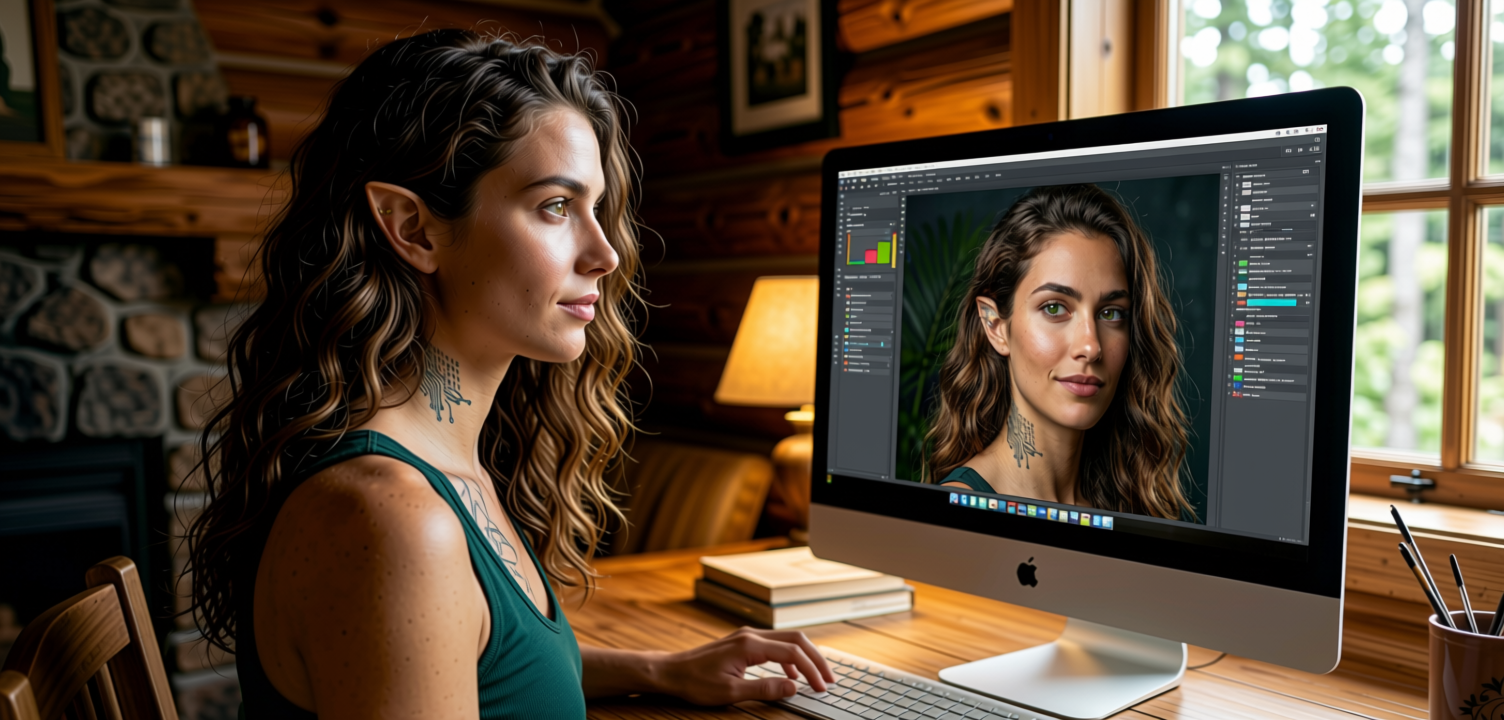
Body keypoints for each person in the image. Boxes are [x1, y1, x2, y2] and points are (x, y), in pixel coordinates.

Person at [184, 30, 833, 719]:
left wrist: (660, 670)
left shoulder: (437, 467)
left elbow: (473, 660)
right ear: (414, 229)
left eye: (597, 207)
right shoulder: (390, 519)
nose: (605, 253)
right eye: (556, 206)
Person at [924, 184, 1194, 520]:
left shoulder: (1126, 509)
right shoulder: (956, 515)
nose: (1090, 346)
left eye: (1111, 313)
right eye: (1054, 308)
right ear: (995, 326)